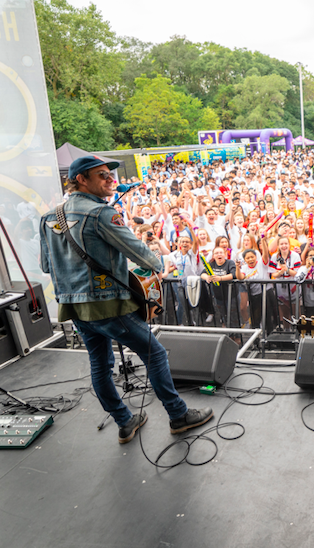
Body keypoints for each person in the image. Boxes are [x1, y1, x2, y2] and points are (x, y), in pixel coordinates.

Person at [39, 155, 213, 444]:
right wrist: (154, 262)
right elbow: (144, 256)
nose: (111, 180)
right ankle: (178, 415)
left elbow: (47, 266)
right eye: (102, 175)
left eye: (110, 174)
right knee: (154, 354)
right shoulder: (101, 214)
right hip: (107, 303)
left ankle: (124, 421)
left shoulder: (49, 217)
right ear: (81, 180)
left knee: (100, 365)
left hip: (73, 306)